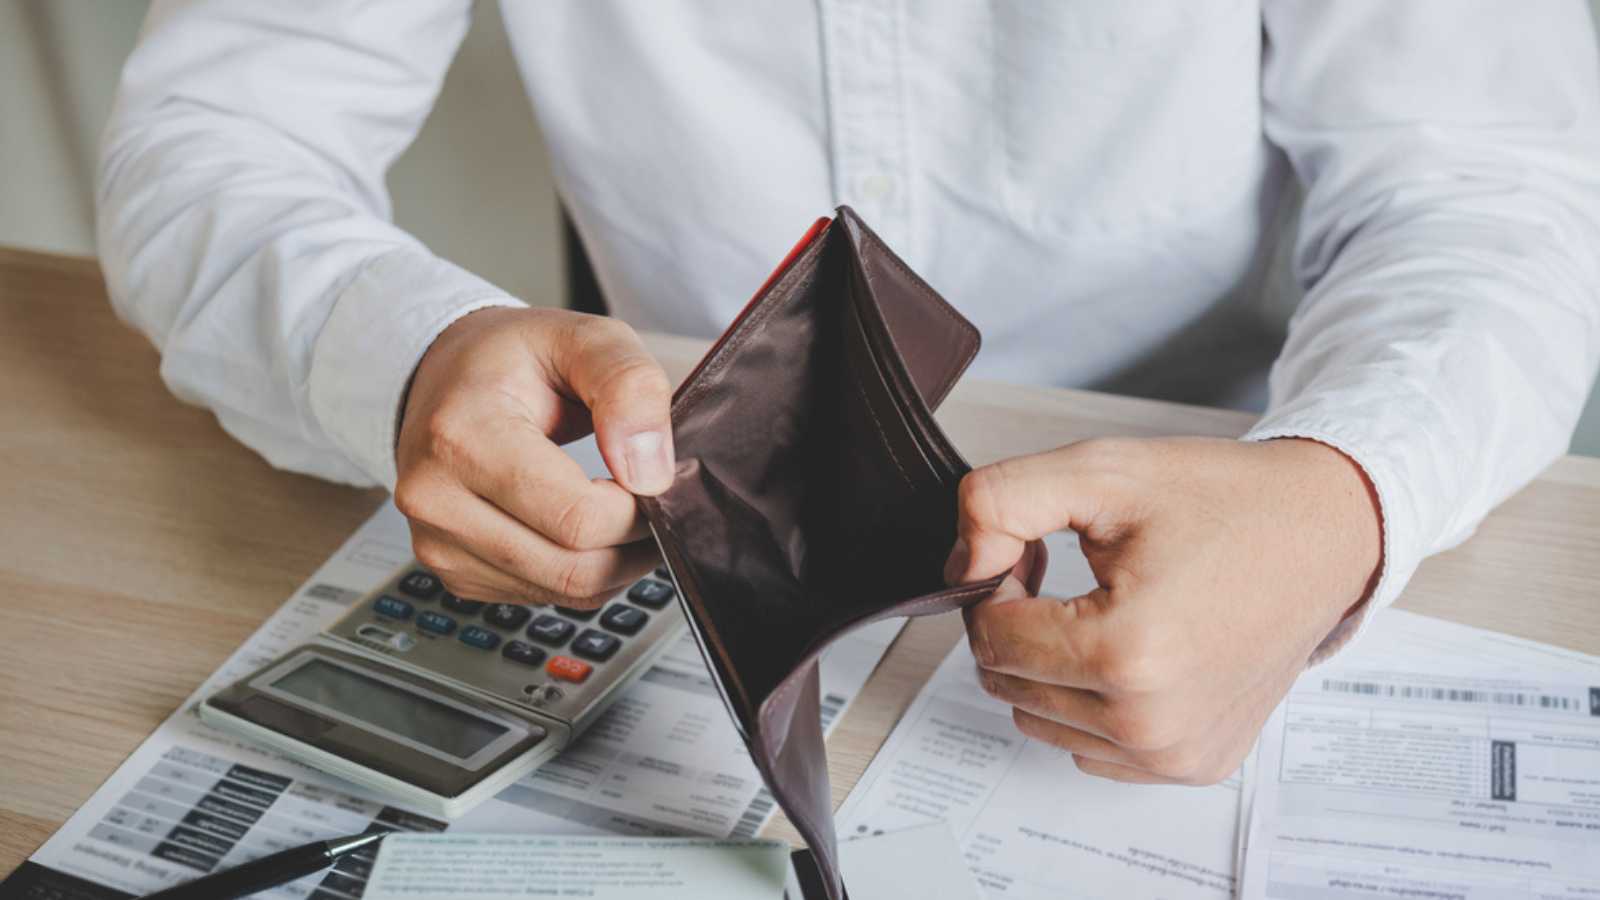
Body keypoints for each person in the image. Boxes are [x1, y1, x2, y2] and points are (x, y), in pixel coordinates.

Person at [99, 2, 1600, 787]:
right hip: (666, 549)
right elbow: (218, 130)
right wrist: (407, 350)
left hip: (1210, 532)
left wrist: (1343, 489)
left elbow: (1488, 181)